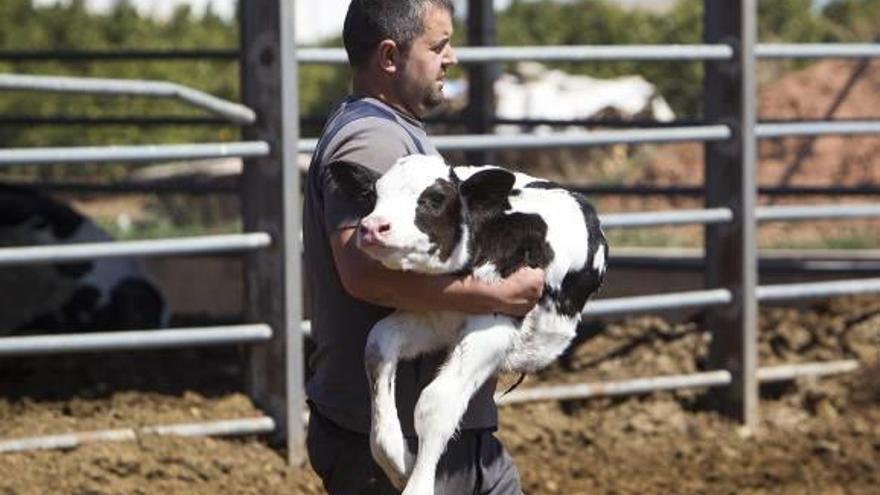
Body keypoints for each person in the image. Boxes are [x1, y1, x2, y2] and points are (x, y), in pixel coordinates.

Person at [302, 1, 544, 493]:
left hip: (439, 430)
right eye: (437, 46)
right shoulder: (373, 141)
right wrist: (497, 297)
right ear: (390, 57)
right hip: (399, 443)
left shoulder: (393, 131)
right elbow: (362, 273)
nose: (450, 58)